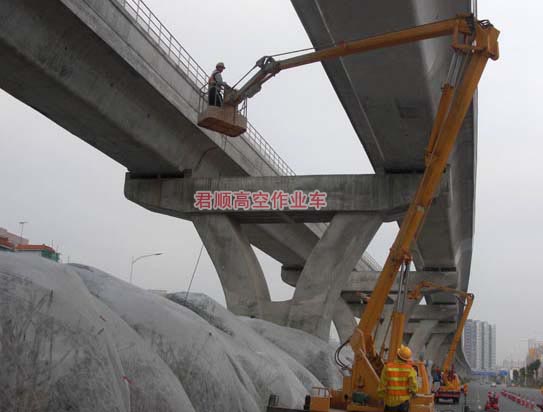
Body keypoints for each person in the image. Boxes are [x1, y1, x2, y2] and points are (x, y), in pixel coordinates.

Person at [378, 345, 418, 412]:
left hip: (391, 402)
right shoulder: (410, 369)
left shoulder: (388, 367)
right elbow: (413, 384)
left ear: (397, 355)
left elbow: (382, 384)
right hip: (404, 403)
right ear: (407, 359)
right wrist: (414, 392)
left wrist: (381, 397)